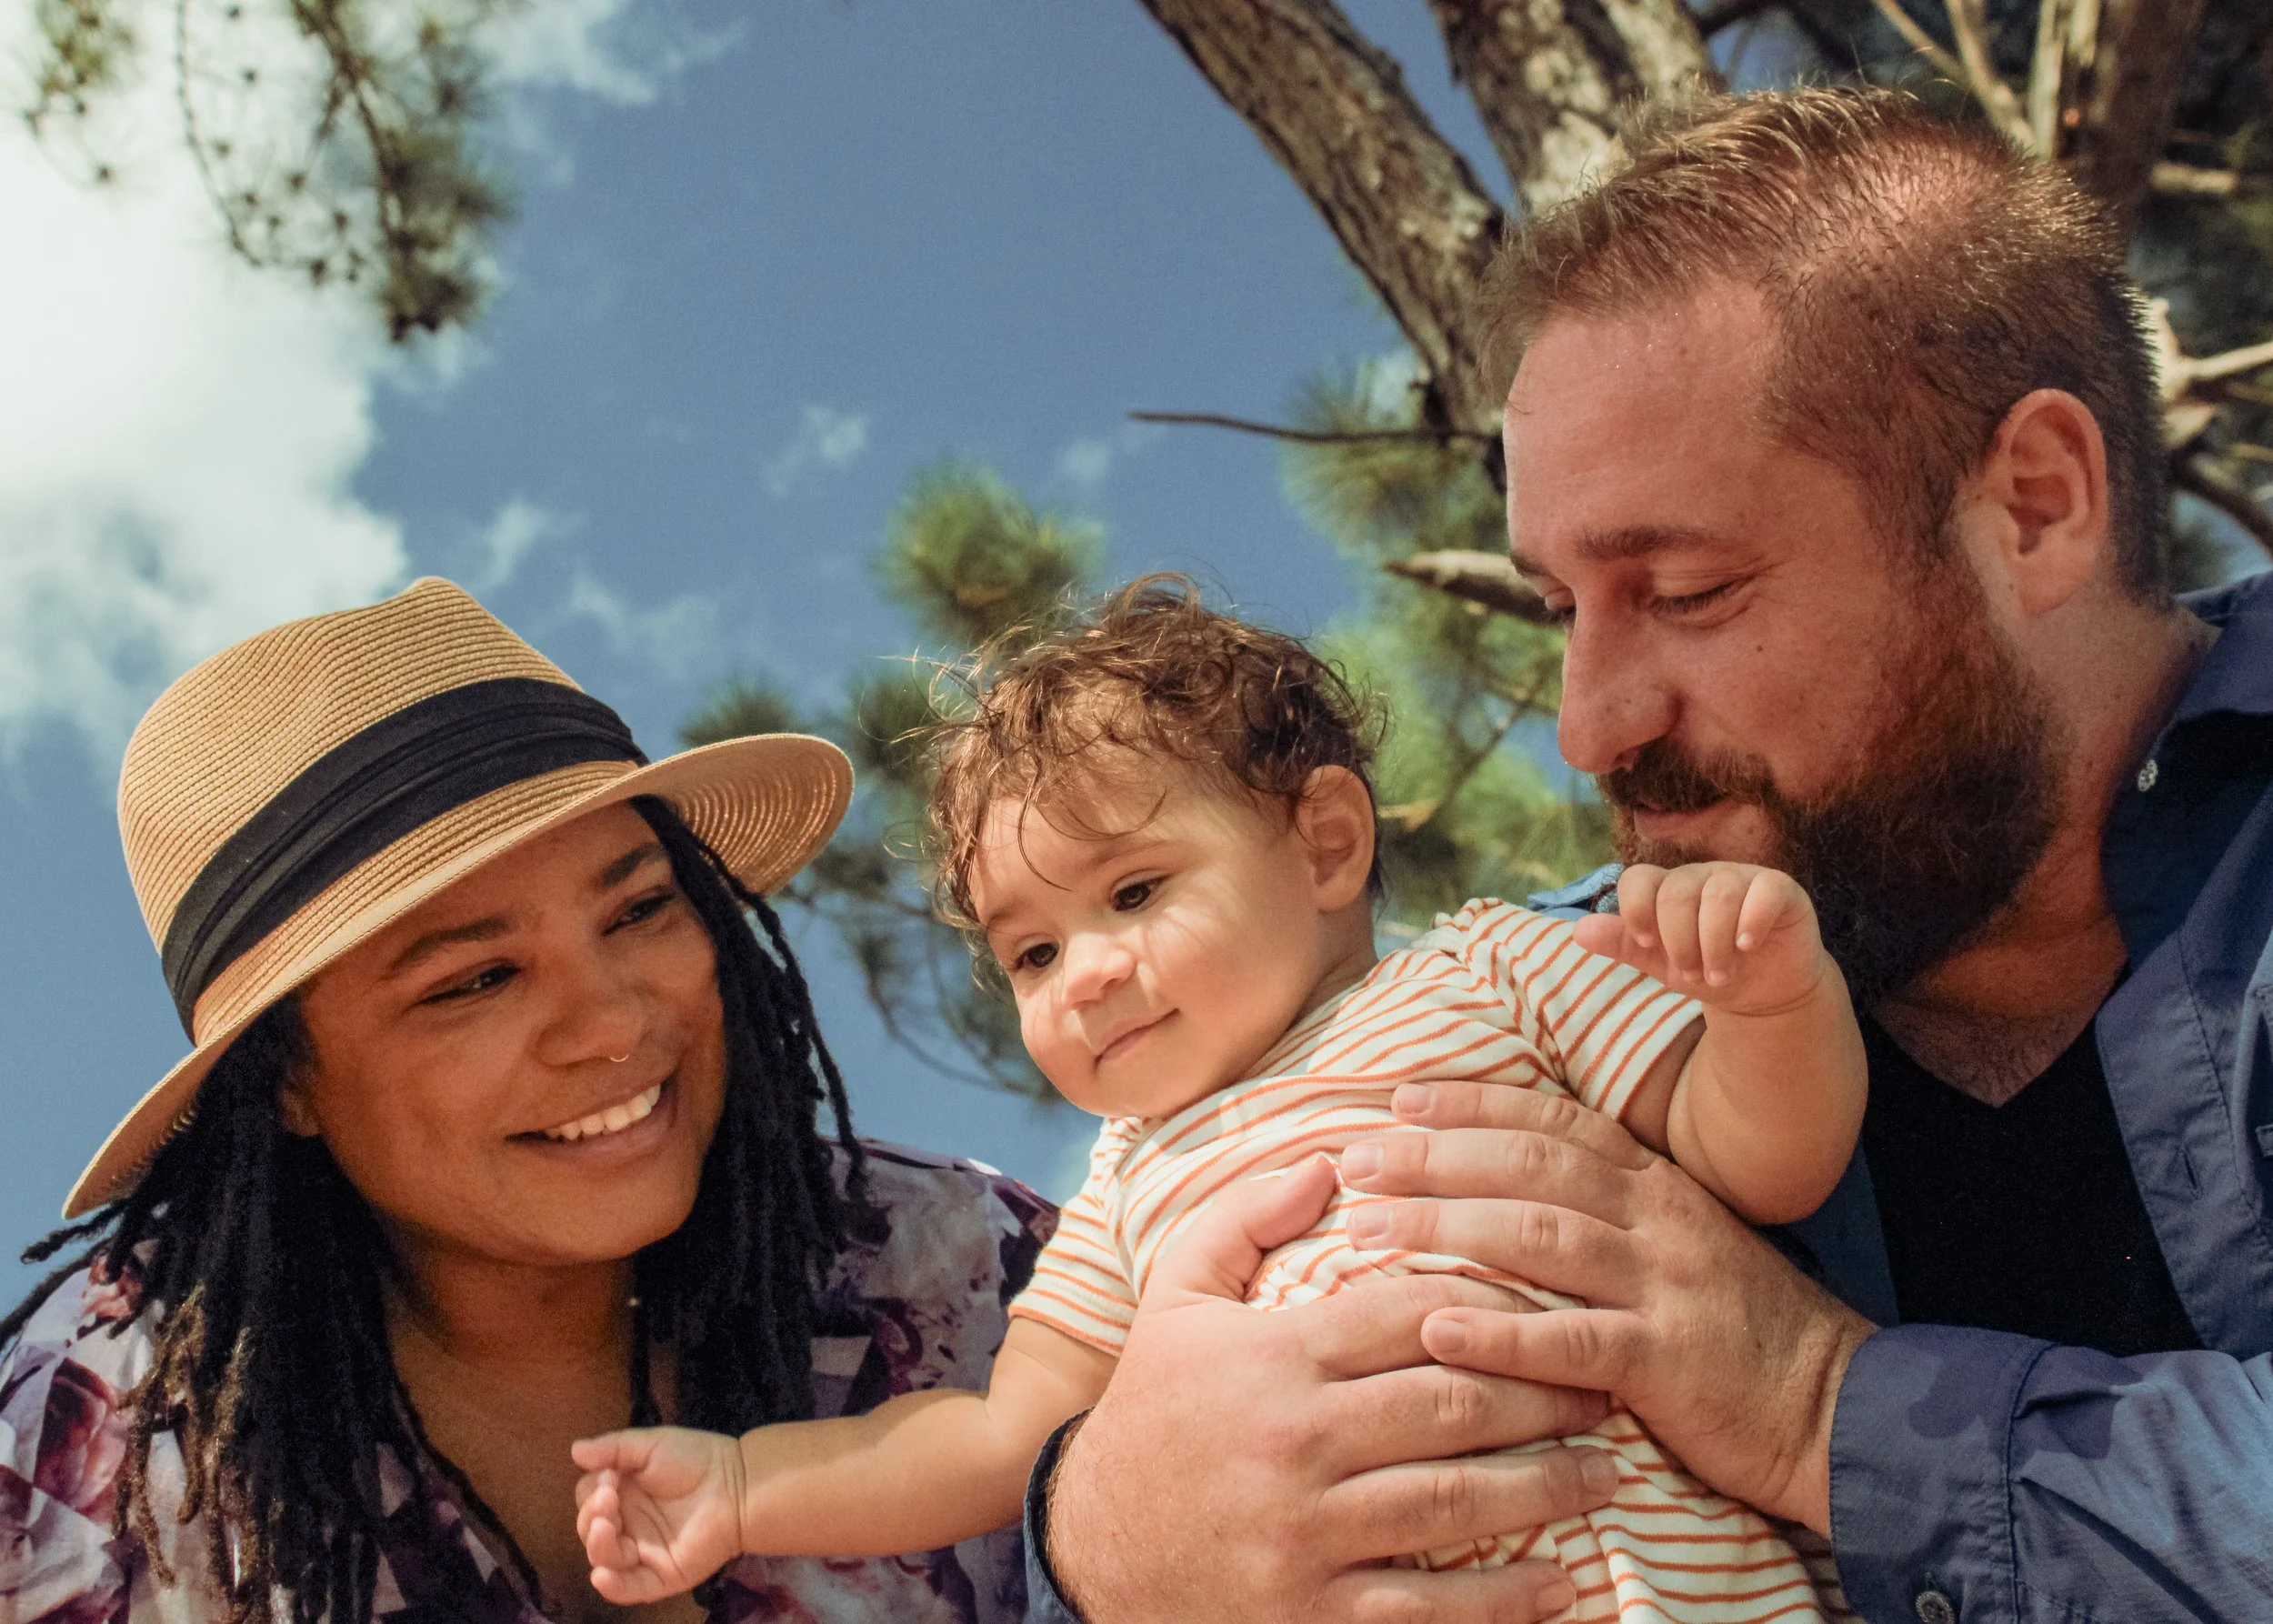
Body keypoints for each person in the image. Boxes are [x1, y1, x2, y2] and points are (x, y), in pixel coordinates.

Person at [1021, 86, 2273, 1624]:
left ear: (2034, 506)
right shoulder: (1557, 1001)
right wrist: (1102, 1537)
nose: (1587, 725)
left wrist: (1824, 1407)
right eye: (1560, 607)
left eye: (1683, 589)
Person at [569, 581, 1865, 1622]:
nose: (1084, 976)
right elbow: (992, 1435)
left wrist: (1770, 1006)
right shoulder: (1130, 1175)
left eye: (1133, 892)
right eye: (1032, 952)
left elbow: (1758, 1163)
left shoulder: (1493, 969)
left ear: (1325, 844)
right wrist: (744, 1484)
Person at [0, 577, 1056, 1624]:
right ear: (286, 1081)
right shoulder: (93, 1434)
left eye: (641, 908)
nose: (609, 1024)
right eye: (477, 979)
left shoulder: (976, 1277)